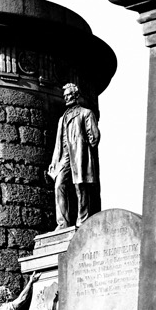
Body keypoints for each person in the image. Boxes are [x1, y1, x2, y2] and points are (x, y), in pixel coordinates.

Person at [48, 82, 101, 227]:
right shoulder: (62, 118)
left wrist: (83, 147)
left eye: (68, 95)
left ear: (76, 96)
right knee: (59, 185)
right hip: (65, 157)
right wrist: (54, 161)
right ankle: (62, 223)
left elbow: (94, 138)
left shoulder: (86, 113)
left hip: (79, 155)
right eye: (64, 96)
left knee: (81, 187)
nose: (66, 98)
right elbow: (58, 142)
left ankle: (82, 220)